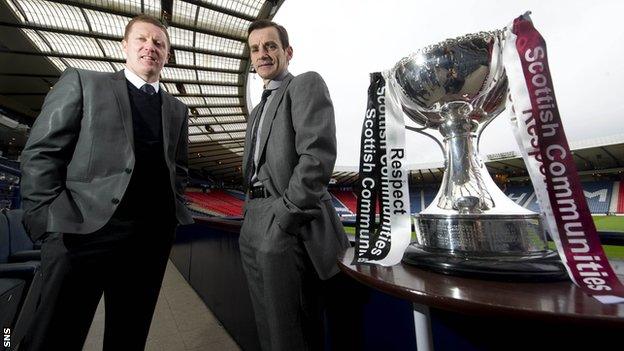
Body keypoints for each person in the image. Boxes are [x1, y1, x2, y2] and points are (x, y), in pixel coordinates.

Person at [19, 14, 193, 351]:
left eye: (159, 43)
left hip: (148, 241)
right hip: (81, 234)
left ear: (167, 55)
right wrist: (47, 222)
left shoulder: (177, 110)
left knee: (129, 336)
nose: (150, 47)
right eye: (142, 39)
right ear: (124, 45)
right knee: (53, 336)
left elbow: (179, 170)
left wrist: (172, 215)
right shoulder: (84, 82)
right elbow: (42, 152)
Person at [240, 19, 350, 351]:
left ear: (287, 52)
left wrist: (284, 220)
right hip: (253, 221)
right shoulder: (257, 110)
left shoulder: (304, 84)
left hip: (286, 222)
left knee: (291, 332)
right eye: (256, 49)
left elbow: (316, 157)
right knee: (267, 327)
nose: (263, 54)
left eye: (270, 46)